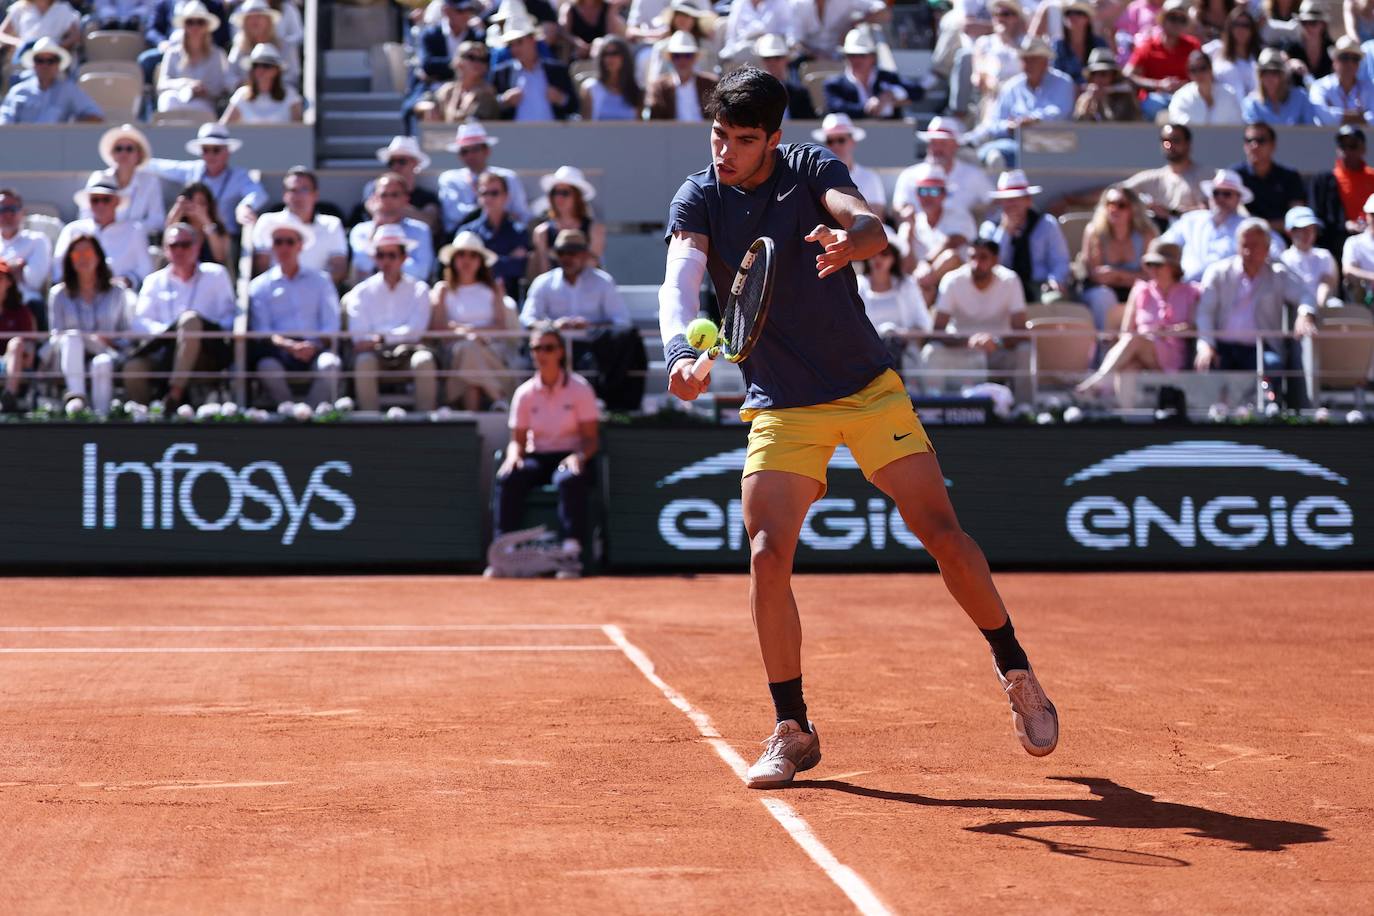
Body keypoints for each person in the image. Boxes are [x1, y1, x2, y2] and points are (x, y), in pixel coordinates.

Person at [658, 67, 1059, 788]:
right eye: (720, 135)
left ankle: (1014, 667)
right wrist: (683, 353)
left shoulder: (810, 167)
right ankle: (793, 728)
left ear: (774, 139)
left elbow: (867, 221)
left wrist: (856, 240)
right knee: (765, 552)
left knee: (942, 535)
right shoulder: (699, 195)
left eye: (745, 140)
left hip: (866, 389)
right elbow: (680, 282)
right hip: (782, 404)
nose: (726, 151)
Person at [491, 322, 599, 577]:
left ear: (560, 352)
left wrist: (579, 456)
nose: (541, 354)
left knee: (569, 478)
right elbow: (517, 440)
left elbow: (592, 439)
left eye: (548, 348)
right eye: (536, 348)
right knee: (509, 476)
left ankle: (571, 553)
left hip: (568, 455)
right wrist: (513, 456)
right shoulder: (524, 393)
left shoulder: (580, 389)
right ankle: (504, 551)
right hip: (537, 457)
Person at [1195, 217, 1318, 405]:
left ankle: (1267, 412)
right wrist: (1206, 345)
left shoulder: (1278, 274)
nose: (1247, 251)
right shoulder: (1217, 272)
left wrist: (1304, 314)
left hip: (1260, 348)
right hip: (1222, 347)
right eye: (1243, 245)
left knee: (1273, 366)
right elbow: (1205, 312)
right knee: (1206, 365)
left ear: (1267, 249)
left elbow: (1306, 295)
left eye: (1254, 246)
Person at [123, 222, 238, 409]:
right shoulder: (154, 281)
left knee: (190, 321)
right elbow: (140, 323)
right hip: (165, 351)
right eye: (173, 245)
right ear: (165, 250)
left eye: (185, 245)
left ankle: (174, 395)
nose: (179, 250)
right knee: (133, 368)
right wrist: (172, 332)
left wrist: (196, 328)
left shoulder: (216, 274)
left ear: (197, 246)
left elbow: (230, 317)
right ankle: (147, 421)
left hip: (207, 353)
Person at [1074, 239, 1198, 403]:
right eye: (1150, 264)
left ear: (1173, 267)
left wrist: (1167, 331)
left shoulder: (1191, 292)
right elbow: (1126, 331)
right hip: (1139, 351)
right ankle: (1128, 418)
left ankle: (1098, 381)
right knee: (1127, 368)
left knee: (1135, 340)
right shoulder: (1141, 290)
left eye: (1158, 264)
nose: (1153, 269)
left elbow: (1194, 327)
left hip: (1172, 356)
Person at [921, 238, 1033, 403]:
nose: (976, 263)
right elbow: (937, 330)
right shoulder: (952, 280)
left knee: (1024, 349)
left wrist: (997, 342)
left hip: (998, 353)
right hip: (961, 353)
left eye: (983, 257)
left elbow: (1020, 331)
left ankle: (1025, 410)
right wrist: (969, 342)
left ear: (995, 260)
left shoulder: (1010, 280)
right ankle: (934, 407)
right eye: (972, 257)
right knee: (932, 351)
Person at [247, 213, 341, 407]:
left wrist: (312, 346)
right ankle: (291, 413)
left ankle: (311, 415)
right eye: (278, 242)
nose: (283, 247)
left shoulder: (321, 281)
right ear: (272, 246)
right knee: (266, 367)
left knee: (330, 365)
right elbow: (262, 330)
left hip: (315, 348)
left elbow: (331, 324)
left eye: (289, 241)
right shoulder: (259, 286)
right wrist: (289, 346)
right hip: (279, 351)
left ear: (300, 245)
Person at [342, 223, 438, 413]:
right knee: (364, 362)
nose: (386, 261)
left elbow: (417, 330)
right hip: (374, 354)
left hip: (408, 352)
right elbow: (359, 336)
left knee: (424, 361)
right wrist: (388, 338)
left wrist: (381, 338)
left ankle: (426, 421)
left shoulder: (419, 290)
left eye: (391, 255)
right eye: (380, 255)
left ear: (404, 257)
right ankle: (369, 421)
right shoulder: (360, 292)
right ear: (374, 258)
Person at [46, 233, 133, 414]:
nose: (82, 259)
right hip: (69, 355)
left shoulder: (117, 292)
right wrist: (87, 338)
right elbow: (55, 336)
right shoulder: (58, 294)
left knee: (102, 362)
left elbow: (126, 335)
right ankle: (77, 399)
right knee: (72, 336)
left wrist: (111, 341)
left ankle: (101, 419)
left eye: (87, 253)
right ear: (70, 260)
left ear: (98, 256)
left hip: (106, 351)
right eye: (77, 255)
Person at [431, 231, 519, 410]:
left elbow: (501, 327)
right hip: (454, 353)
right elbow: (437, 328)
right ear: (453, 260)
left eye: (472, 255)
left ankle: (474, 420)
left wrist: (469, 333)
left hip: (490, 351)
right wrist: (467, 335)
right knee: (468, 349)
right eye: (461, 254)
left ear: (480, 261)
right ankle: (499, 395)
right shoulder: (443, 290)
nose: (466, 260)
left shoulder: (492, 289)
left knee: (471, 379)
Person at [965, 38, 1076, 169]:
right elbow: (994, 122)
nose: (1028, 64)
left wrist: (1034, 120)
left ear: (1046, 62)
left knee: (997, 153)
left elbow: (1060, 113)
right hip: (1016, 144)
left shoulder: (1063, 82)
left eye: (1033, 59)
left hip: (1054, 143)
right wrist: (1009, 126)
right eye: (1025, 59)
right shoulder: (1011, 87)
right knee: (985, 154)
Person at [144, 122, 268, 231]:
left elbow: (258, 193)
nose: (210, 155)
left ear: (227, 152)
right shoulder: (193, 169)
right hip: (194, 238)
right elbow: (158, 166)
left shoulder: (239, 176)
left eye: (216, 149)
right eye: (205, 150)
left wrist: (246, 206)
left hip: (225, 240)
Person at [980, 169, 1072, 304]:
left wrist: (1055, 280)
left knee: (1054, 300)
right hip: (1002, 287)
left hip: (1039, 285)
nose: (1011, 205)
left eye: (1016, 199)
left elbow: (1060, 260)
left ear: (1028, 200)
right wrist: (1005, 232)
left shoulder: (1046, 224)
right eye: (1006, 200)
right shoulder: (989, 228)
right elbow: (991, 263)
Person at [250, 167, 348, 284]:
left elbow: (339, 267)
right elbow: (261, 265)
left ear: (315, 195)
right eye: (292, 190)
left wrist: (315, 290)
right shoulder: (267, 221)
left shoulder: (332, 224)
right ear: (284, 195)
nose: (298, 196)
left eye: (304, 189)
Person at [54, 175, 153, 288]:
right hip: (79, 292)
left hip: (122, 293)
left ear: (117, 201)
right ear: (89, 203)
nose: (100, 205)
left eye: (106, 199)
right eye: (95, 200)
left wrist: (128, 280)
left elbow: (146, 269)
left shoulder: (135, 230)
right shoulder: (73, 229)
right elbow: (59, 266)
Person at [1080, 185, 1157, 329]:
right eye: (1109, 204)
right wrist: (1131, 277)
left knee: (1145, 293)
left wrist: (1116, 274)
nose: (1114, 209)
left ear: (1133, 209)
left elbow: (1150, 275)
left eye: (1121, 205)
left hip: (1135, 289)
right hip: (1101, 290)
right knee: (1103, 297)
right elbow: (1097, 276)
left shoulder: (1146, 234)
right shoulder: (1094, 232)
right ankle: (1105, 345)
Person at [859, 228, 931, 378]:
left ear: (894, 258)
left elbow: (924, 325)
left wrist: (898, 335)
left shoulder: (907, 285)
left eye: (884, 253)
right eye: (873, 252)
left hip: (904, 357)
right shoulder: (857, 285)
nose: (878, 258)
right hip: (865, 356)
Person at [437, 121, 531, 235]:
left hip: (505, 237)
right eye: (464, 151)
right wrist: (495, 210)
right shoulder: (450, 179)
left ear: (487, 151)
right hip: (462, 242)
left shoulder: (508, 177)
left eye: (475, 149)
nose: (470, 155)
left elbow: (522, 214)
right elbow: (453, 214)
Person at [893, 117, 993, 224]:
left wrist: (975, 214)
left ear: (956, 145)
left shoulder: (974, 175)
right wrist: (905, 214)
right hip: (919, 237)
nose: (937, 148)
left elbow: (993, 203)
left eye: (943, 143)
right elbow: (899, 206)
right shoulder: (909, 175)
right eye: (933, 142)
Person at [1161, 167, 1254, 282]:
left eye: (1227, 194)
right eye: (1216, 193)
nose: (1220, 198)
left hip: (1228, 294)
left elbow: (1273, 249)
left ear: (1238, 198)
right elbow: (1162, 245)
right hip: (1186, 291)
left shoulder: (1249, 226)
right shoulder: (1191, 220)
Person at [899, 166, 975, 302]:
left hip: (957, 285)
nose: (927, 196)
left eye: (933, 191)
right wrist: (909, 231)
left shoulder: (959, 215)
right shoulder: (912, 222)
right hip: (922, 285)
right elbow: (906, 265)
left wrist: (926, 264)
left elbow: (953, 241)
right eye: (922, 191)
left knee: (949, 257)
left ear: (944, 194)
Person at [348, 173, 435, 283]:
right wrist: (377, 226)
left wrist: (380, 260)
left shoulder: (420, 230)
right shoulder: (360, 230)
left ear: (406, 199)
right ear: (375, 198)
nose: (388, 200)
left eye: (394, 195)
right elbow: (363, 266)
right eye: (384, 195)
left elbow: (421, 272)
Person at [491, 14, 578, 121]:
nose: (515, 49)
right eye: (510, 44)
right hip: (514, 136)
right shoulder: (501, 73)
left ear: (532, 40)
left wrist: (561, 99)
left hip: (554, 135)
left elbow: (574, 106)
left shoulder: (558, 70)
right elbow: (490, 107)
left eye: (519, 42)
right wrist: (504, 101)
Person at [1124, 0, 1201, 119]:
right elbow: (1127, 75)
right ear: (1163, 21)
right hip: (1154, 100)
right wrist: (1158, 85)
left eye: (1182, 20)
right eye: (1173, 18)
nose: (1177, 23)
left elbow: (1203, 73)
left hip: (1186, 97)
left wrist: (1183, 85)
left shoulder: (1193, 45)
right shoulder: (1147, 46)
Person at [87, 125, 165, 242]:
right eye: (118, 149)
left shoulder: (150, 182)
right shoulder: (98, 178)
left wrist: (129, 230)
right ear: (112, 154)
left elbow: (157, 220)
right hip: (101, 239)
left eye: (129, 149)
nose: (124, 153)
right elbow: (86, 214)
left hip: (136, 241)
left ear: (139, 154)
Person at [156, 0, 233, 116]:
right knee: (168, 99)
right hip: (177, 99)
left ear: (206, 26)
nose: (195, 27)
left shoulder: (217, 54)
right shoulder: (172, 53)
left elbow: (219, 87)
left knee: (200, 108)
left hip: (204, 103)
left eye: (200, 22)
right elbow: (162, 84)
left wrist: (203, 90)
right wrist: (185, 84)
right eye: (190, 22)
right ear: (184, 26)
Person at [0, 37, 102, 125]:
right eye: (40, 60)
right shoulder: (18, 91)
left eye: (51, 60)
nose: (45, 65)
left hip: (58, 146)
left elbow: (96, 116)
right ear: (34, 64)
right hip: (21, 146)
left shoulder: (69, 90)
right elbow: (4, 123)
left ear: (58, 65)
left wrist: (70, 126)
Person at [1122, 122, 1209, 221]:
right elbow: (1118, 191)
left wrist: (1172, 213)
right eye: (1165, 141)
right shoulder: (1153, 177)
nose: (1170, 146)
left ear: (1188, 144)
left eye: (1176, 140)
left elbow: (1210, 209)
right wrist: (1144, 205)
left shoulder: (1208, 176)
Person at [360, 136, 443, 238]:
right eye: (392, 162)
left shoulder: (427, 197)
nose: (395, 166)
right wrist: (408, 211)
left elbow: (429, 221)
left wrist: (392, 209)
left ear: (415, 163)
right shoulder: (373, 187)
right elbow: (373, 208)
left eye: (401, 161)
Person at [823, 27, 912, 121]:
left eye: (862, 55)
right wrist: (868, 108)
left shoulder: (887, 77)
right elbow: (837, 108)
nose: (856, 60)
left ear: (873, 57)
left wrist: (892, 94)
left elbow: (916, 91)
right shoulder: (834, 84)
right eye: (851, 55)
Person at [1233, 122, 1307, 234]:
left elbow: (1296, 218)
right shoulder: (1235, 175)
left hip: (1282, 240)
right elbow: (1234, 210)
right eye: (1249, 140)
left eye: (1261, 140)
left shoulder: (1290, 176)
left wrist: (1263, 226)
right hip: (1245, 237)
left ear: (1273, 145)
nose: (1254, 145)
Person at [530, 166, 605, 276]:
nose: (559, 197)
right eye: (555, 192)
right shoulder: (542, 232)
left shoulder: (594, 230)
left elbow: (591, 270)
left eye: (565, 193)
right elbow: (543, 272)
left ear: (577, 197)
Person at [1312, 124, 1374, 256]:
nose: (1347, 151)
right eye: (1342, 146)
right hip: (1338, 244)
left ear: (1363, 149)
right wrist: (1344, 225)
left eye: (1352, 146)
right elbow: (1320, 217)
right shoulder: (1324, 180)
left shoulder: (1372, 177)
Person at [811, 114, 886, 220]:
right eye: (830, 141)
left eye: (841, 140)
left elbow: (876, 218)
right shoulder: (814, 178)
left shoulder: (870, 178)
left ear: (853, 142)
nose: (835, 146)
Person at [0, 188, 53, 322]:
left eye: (12, 209)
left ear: (22, 212)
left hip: (27, 305)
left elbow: (34, 281)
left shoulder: (37, 240)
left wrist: (4, 270)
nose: (8, 215)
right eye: (2, 209)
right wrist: (15, 267)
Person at [645, 30, 718, 121]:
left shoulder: (710, 84)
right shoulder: (659, 87)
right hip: (671, 134)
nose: (682, 61)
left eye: (687, 55)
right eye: (677, 56)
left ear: (694, 58)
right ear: (671, 59)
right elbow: (655, 118)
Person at [221, 43, 302, 124]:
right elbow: (224, 127)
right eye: (256, 65)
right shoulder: (241, 95)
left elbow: (300, 130)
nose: (260, 70)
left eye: (266, 65)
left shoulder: (290, 95)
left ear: (277, 70)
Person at [423, 39, 499, 124]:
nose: (478, 63)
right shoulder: (448, 90)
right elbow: (423, 104)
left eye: (483, 59)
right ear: (458, 61)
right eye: (472, 57)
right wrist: (429, 107)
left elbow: (471, 123)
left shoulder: (487, 93)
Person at [227, 0, 299, 87]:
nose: (255, 21)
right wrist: (248, 85)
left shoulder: (286, 46)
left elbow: (292, 77)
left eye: (259, 17)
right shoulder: (239, 48)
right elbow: (229, 78)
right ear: (244, 24)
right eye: (250, 18)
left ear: (269, 21)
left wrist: (270, 86)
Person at [1243, 49, 1326, 125]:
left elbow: (1309, 131)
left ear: (1283, 76)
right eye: (1264, 72)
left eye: (1274, 72)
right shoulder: (1251, 103)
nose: (1269, 78)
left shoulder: (1300, 98)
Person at [790, 0, 889, 61]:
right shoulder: (798, 4)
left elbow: (883, 11)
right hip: (808, 61)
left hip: (844, 59)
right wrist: (817, 56)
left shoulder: (846, 1)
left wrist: (857, 23)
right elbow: (795, 43)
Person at [0, 259, 38, 414]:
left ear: (9, 282)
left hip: (14, 363)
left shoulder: (21, 312)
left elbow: (29, 352)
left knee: (16, 343)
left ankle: (9, 396)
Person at [1281, 206, 1339, 307]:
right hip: (1296, 312)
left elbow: (1328, 283)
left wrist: (1320, 304)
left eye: (1311, 229)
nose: (1308, 234)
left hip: (1324, 308)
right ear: (1289, 232)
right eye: (1302, 229)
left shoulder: (1324, 256)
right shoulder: (1284, 259)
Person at [1309, 36, 1374, 125]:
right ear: (1334, 62)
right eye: (1344, 57)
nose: (1350, 63)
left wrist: (1337, 115)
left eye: (1355, 59)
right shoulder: (1320, 86)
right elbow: (1323, 116)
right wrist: (1360, 117)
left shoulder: (1369, 88)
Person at [1168, 49, 1244, 124]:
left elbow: (1236, 123)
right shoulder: (1181, 97)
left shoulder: (1228, 94)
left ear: (1211, 69)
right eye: (1193, 70)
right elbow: (1177, 123)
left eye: (1202, 68)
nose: (1198, 74)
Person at [165, 182, 230, 267]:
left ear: (209, 206)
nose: (195, 207)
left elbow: (220, 256)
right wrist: (177, 209)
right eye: (191, 202)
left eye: (201, 203)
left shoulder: (220, 230)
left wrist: (206, 222)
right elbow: (167, 237)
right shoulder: (178, 228)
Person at [753, 33, 816, 121]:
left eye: (777, 58)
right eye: (767, 59)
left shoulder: (800, 94)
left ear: (786, 59)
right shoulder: (753, 94)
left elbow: (808, 124)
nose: (772, 63)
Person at [580, 35, 642, 121]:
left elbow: (639, 126)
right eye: (605, 54)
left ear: (624, 57)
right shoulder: (590, 88)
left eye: (615, 53)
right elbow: (585, 125)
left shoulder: (635, 90)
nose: (609, 58)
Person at [1074, 46, 1143, 121]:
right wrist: (1085, 111)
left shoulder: (1125, 97)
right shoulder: (1085, 98)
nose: (1098, 79)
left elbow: (1116, 127)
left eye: (1103, 74)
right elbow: (1079, 126)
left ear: (1113, 76)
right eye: (1094, 74)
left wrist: (1102, 100)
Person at [1210, 7, 1261, 104]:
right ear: (1230, 27)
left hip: (1254, 113)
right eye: (1236, 25)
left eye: (1246, 25)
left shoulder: (1259, 56)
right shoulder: (1215, 49)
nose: (1241, 29)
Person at [1054, 0, 1109, 85]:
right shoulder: (1058, 46)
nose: (1072, 16)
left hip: (1096, 93)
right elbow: (1056, 76)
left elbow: (1107, 73)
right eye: (1068, 13)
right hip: (1065, 95)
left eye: (1078, 13)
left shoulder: (1100, 44)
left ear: (1087, 18)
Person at [722, 0, 793, 63]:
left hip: (773, 43)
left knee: (771, 51)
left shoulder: (780, 2)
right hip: (746, 44)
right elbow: (732, 33)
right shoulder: (739, 3)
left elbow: (787, 29)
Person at [559, 0, 625, 61]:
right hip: (576, 54)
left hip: (601, 55)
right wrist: (577, 43)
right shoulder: (569, 8)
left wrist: (597, 46)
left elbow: (610, 35)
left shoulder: (608, 7)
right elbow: (564, 32)